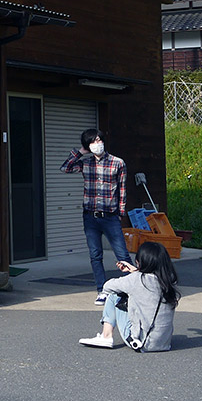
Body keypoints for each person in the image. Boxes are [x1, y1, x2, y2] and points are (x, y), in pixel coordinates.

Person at [60, 127, 131, 305]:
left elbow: (122, 189)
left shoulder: (117, 163)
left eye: (99, 140)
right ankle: (102, 290)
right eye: (93, 141)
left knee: (122, 254)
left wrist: (120, 212)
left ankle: (132, 289)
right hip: (90, 216)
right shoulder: (86, 163)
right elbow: (65, 168)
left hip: (110, 216)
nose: (98, 143)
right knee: (95, 255)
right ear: (88, 146)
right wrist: (81, 152)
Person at [79, 240, 179, 350]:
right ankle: (106, 336)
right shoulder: (169, 280)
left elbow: (108, 286)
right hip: (163, 344)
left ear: (140, 262)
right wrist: (135, 271)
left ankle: (106, 336)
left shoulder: (136, 280)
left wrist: (135, 273)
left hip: (141, 343)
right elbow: (148, 281)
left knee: (115, 295)